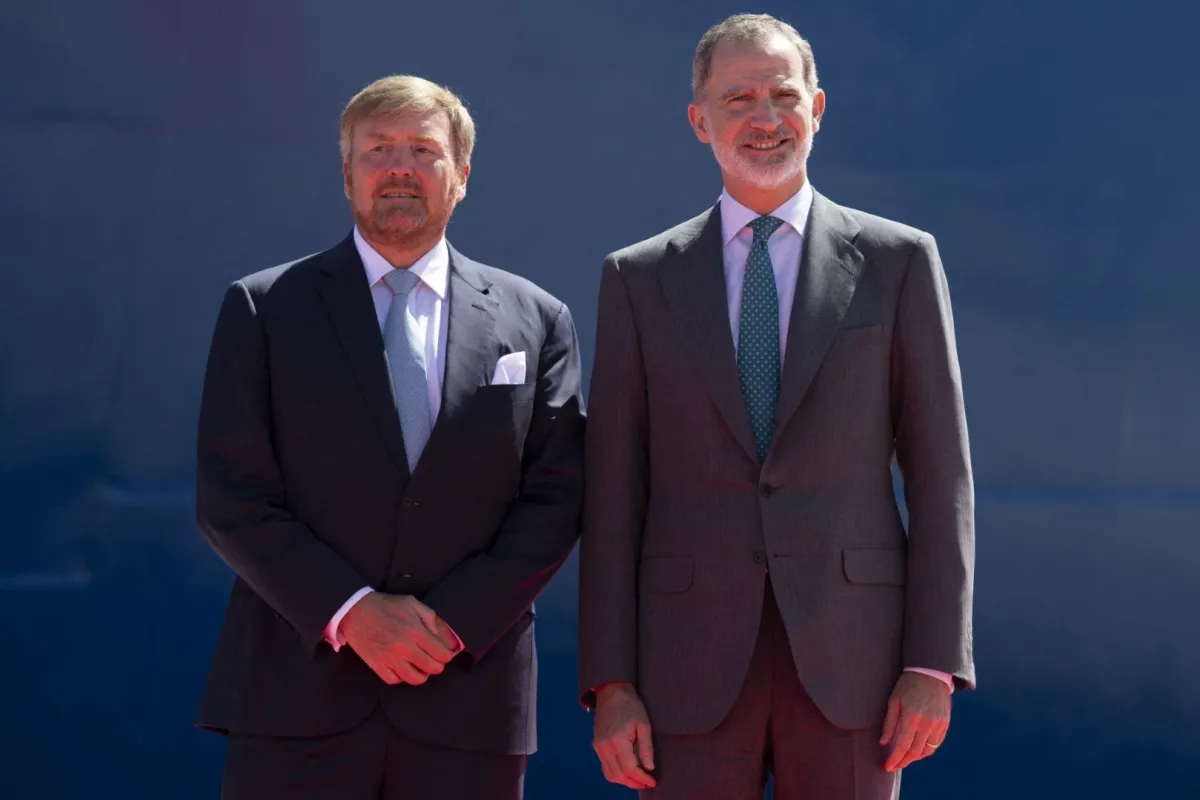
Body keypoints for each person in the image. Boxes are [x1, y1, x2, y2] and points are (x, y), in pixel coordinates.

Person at [578, 13, 975, 799]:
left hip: (856, 667)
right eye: (738, 99)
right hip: (682, 669)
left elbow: (941, 476)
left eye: (783, 95)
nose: (764, 118)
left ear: (817, 108)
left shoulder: (899, 262)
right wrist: (611, 682)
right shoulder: (638, 279)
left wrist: (933, 663)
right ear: (700, 121)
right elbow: (614, 491)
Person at [194, 74, 584, 799]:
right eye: (378, 150)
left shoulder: (537, 318)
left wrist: (452, 624)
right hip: (297, 702)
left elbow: (556, 498)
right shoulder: (265, 308)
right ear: (347, 174)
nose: (399, 168)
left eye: (423, 150)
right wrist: (352, 613)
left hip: (467, 699)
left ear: (461, 175)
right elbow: (232, 496)